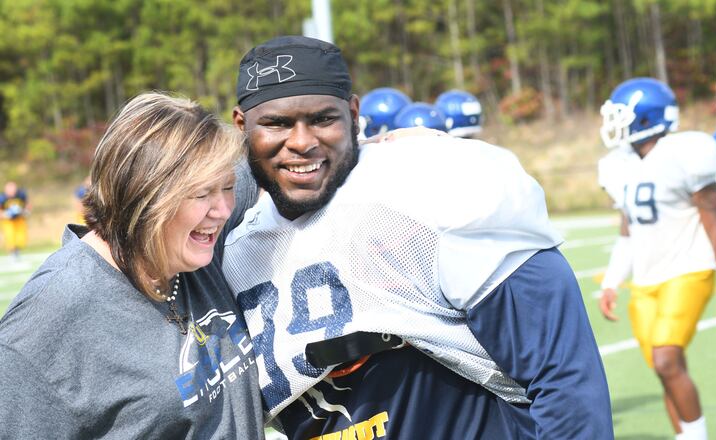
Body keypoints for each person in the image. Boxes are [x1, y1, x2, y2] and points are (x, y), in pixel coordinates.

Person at [225, 35, 613, 439]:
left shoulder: (422, 187)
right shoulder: (228, 249)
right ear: (242, 125)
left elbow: (561, 373)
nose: (303, 142)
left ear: (353, 114)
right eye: (277, 123)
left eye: (324, 119)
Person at [0, 92, 266, 439]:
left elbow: (282, 155)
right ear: (143, 197)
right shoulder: (50, 316)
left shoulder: (190, 247)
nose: (222, 210)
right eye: (201, 194)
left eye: (227, 188)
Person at [597, 77, 716, 440]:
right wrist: (611, 281)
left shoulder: (687, 153)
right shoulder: (619, 165)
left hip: (689, 270)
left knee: (667, 360)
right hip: (646, 280)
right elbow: (628, 230)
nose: (613, 124)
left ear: (645, 118)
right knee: (664, 368)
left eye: (621, 115)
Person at [0, 181, 30, 261]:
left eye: (13, 189)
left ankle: (17, 251)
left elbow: (27, 204)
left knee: (21, 237)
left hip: (19, 219)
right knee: (10, 236)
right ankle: (12, 253)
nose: (12, 191)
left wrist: (26, 211)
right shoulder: (2, 198)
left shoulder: (21, 195)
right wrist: (5, 214)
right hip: (8, 221)